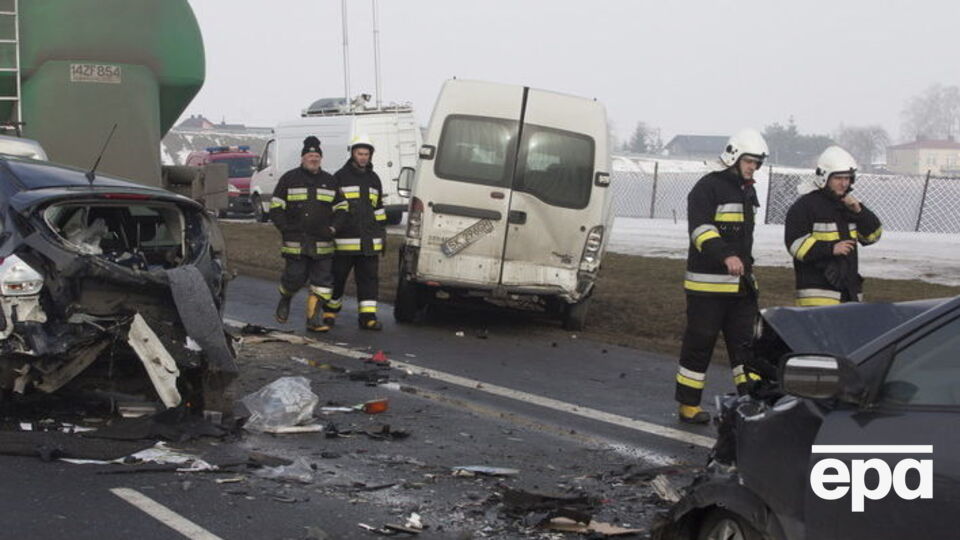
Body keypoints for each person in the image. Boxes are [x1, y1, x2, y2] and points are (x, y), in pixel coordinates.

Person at [674, 128, 768, 424]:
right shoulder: (707, 187)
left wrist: (745, 269)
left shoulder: (746, 190)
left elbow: (744, 241)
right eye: (749, 161)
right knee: (699, 344)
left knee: (746, 349)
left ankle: (752, 402)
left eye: (757, 163)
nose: (753, 167)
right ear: (733, 157)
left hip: (739, 288)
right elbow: (701, 230)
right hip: (706, 287)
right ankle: (688, 405)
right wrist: (725, 255)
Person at [784, 146, 882, 306]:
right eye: (838, 178)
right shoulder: (805, 206)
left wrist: (860, 212)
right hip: (817, 294)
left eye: (848, 178)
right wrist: (830, 249)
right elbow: (795, 244)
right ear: (824, 177)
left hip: (849, 292)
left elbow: (873, 236)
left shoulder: (850, 205)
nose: (844, 184)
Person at [269, 136, 341, 332]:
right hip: (296, 242)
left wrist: (334, 228)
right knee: (294, 277)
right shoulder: (289, 179)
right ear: (302, 158)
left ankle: (314, 319)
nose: (314, 158)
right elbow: (276, 206)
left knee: (322, 283)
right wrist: (285, 228)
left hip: (323, 242)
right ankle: (285, 299)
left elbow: (342, 208)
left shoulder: (330, 181)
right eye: (310, 155)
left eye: (317, 155)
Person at [325, 134, 387, 330]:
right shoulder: (339, 177)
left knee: (369, 281)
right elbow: (332, 208)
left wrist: (381, 233)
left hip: (368, 244)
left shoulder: (374, 179)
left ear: (370, 156)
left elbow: (378, 208)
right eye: (359, 153)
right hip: (343, 243)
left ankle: (367, 317)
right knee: (337, 279)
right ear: (352, 153)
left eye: (366, 154)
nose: (363, 157)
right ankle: (329, 312)